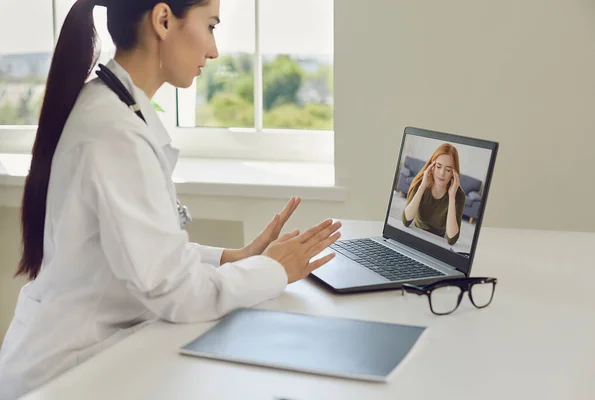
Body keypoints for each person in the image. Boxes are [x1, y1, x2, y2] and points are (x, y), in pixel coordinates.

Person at [0, 0, 341, 398]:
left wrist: (234, 257)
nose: (214, 50)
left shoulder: (116, 110)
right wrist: (272, 269)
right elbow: (177, 294)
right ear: (163, 20)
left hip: (83, 358)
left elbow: (142, 251)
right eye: (211, 26)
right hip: (64, 376)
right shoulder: (115, 132)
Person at [401, 143, 466, 245]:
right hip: (415, 235)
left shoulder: (459, 195)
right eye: (438, 166)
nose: (442, 173)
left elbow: (452, 239)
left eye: (448, 170)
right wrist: (422, 187)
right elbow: (406, 220)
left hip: (437, 243)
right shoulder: (421, 183)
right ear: (432, 166)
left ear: (454, 173)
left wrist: (452, 197)